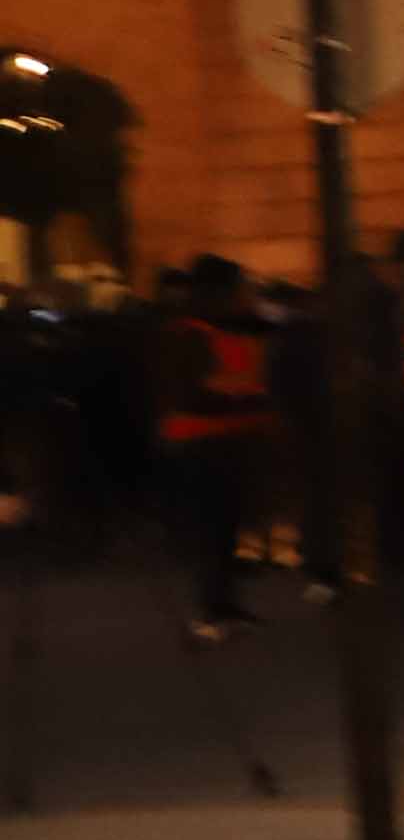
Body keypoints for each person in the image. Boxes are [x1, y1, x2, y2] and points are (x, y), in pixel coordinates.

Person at [146, 257, 275, 639]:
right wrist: (243, 396)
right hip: (201, 447)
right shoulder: (189, 333)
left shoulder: (222, 330)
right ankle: (209, 611)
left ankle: (225, 605)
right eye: (241, 288)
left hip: (228, 443)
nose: (247, 296)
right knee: (211, 532)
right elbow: (190, 391)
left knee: (226, 531)